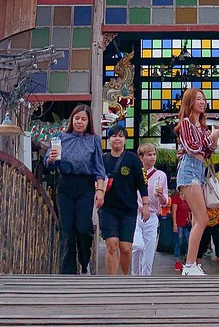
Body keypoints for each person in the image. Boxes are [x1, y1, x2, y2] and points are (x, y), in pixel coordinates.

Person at [43, 104, 106, 275]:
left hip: (85, 186)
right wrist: (51, 159)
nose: (79, 122)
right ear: (72, 120)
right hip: (65, 185)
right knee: (67, 231)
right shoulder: (61, 137)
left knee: (83, 228)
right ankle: (67, 273)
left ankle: (84, 262)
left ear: (88, 122)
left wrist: (100, 191)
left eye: (83, 119)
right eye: (77, 118)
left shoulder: (93, 140)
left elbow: (99, 168)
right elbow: (48, 161)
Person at [174, 87, 219, 276]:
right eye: (198, 99)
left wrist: (212, 138)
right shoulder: (186, 123)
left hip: (199, 170)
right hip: (189, 169)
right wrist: (211, 137)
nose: (202, 102)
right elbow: (193, 146)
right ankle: (190, 264)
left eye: (204, 99)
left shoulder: (201, 126)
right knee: (202, 219)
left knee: (198, 220)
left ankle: (191, 263)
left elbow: (209, 148)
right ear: (190, 102)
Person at [99, 124, 149, 275]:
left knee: (126, 248)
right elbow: (97, 179)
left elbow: (142, 182)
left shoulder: (132, 159)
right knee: (112, 245)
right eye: (114, 136)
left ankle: (125, 277)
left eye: (121, 136)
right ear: (109, 140)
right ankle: (112, 281)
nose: (117, 139)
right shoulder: (103, 159)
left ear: (125, 140)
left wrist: (146, 204)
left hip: (128, 210)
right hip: (108, 209)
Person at [131, 142, 168, 276]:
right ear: (141, 157)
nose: (152, 157)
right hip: (136, 214)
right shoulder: (135, 173)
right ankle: (135, 275)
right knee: (137, 246)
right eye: (149, 155)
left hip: (152, 216)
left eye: (154, 154)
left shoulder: (161, 175)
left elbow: (165, 202)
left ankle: (146, 279)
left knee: (148, 254)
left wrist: (161, 196)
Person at [170, 189, 191, 271]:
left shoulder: (187, 197)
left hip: (186, 223)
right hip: (179, 223)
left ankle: (187, 257)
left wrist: (189, 219)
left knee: (188, 239)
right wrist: (174, 224)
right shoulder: (176, 198)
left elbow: (188, 210)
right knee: (179, 241)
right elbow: (174, 212)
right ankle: (177, 260)